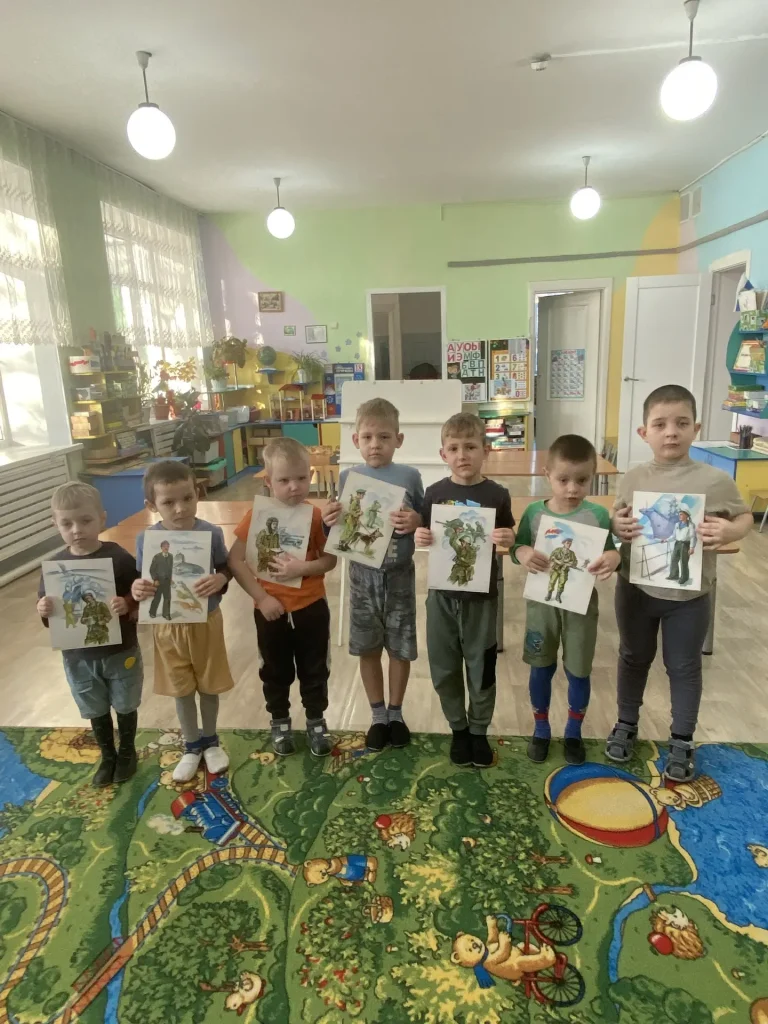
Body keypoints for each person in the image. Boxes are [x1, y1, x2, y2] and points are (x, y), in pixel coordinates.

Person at [609, 385, 753, 782]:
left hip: (689, 596)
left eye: (681, 423)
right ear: (644, 433)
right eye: (660, 424)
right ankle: (625, 723)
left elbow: (744, 517)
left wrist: (730, 530)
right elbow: (617, 519)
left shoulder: (714, 480)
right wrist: (617, 525)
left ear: (696, 429)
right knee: (632, 657)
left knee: (684, 666)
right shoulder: (633, 478)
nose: (671, 432)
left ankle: (682, 739)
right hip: (635, 589)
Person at [513, 435, 620, 766]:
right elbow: (517, 547)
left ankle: (573, 732)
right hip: (541, 608)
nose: (572, 489)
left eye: (582, 480)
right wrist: (524, 552)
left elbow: (612, 550)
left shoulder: (598, 515)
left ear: (593, 476)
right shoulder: (534, 513)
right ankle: (541, 728)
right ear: (547, 474)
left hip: (581, 608)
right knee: (540, 667)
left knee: (578, 671)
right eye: (563, 480)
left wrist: (614, 558)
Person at [323, 398, 423, 751]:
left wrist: (416, 521)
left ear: (398, 439)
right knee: (367, 647)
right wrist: (329, 520)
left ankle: (396, 713)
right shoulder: (348, 478)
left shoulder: (410, 477)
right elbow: (338, 526)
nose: (375, 444)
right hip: (361, 576)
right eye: (367, 437)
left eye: (384, 437)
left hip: (399, 575)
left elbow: (425, 520)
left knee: (400, 648)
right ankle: (378, 715)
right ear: (356, 440)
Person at [416, 413, 515, 767]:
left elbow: (508, 535)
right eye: (454, 448)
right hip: (441, 597)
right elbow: (425, 533)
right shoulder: (434, 493)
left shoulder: (497, 494)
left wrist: (508, 538)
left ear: (486, 450)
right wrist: (420, 536)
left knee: (482, 668)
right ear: (443, 454)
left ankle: (478, 731)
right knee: (443, 667)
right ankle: (458, 729)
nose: (463, 455)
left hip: (482, 600)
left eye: (470, 447)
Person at [229, 437, 337, 757]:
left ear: (310, 475)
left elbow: (330, 560)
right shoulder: (255, 517)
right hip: (270, 610)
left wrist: (303, 567)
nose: (294, 487)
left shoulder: (315, 517)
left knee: (315, 669)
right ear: (268, 481)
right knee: (274, 670)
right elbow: (235, 560)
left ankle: (316, 720)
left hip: (311, 607)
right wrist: (262, 599)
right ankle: (279, 721)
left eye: (301, 478)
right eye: (284, 480)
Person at [132, 461, 235, 783]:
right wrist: (136, 589)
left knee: (209, 683)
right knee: (181, 688)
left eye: (187, 498)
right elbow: (141, 579)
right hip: (168, 626)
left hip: (206, 621)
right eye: (168, 502)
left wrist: (221, 579)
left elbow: (226, 567)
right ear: (152, 505)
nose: (180, 508)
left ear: (197, 493)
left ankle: (211, 741)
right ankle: (191, 745)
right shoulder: (146, 539)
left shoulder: (211, 533)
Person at [37, 482, 142, 788]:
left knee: (125, 701)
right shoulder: (55, 567)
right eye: (67, 524)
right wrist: (43, 609)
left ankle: (127, 752)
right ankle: (108, 756)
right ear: (55, 524)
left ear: (102, 518)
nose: (77, 530)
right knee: (94, 706)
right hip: (78, 657)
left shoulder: (118, 557)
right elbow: (51, 615)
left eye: (85, 520)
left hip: (120, 650)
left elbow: (139, 593)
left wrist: (128, 602)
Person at [667, 508, 695, 585]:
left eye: (681, 514)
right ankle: (674, 575)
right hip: (677, 544)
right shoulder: (677, 524)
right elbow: (674, 536)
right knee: (673, 559)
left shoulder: (690, 525)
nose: (679, 516)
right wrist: (666, 540)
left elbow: (692, 537)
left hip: (685, 544)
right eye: (679, 514)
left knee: (684, 562)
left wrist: (692, 547)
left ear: (686, 516)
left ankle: (684, 577)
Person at [546, 537, 577, 603]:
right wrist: (558, 561)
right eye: (567, 543)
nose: (569, 544)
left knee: (562, 583)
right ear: (563, 543)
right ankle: (549, 595)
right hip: (556, 569)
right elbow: (551, 557)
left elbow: (575, 562)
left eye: (570, 543)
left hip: (564, 570)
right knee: (552, 581)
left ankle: (558, 596)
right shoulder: (558, 550)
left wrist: (569, 564)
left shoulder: (571, 553)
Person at [148, 539, 174, 619]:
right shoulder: (156, 557)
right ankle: (152, 612)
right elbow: (152, 569)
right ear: (161, 547)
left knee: (167, 598)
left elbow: (170, 569)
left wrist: (171, 579)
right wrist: (155, 579)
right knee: (157, 598)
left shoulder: (171, 556)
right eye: (164, 546)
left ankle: (166, 614)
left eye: (167, 546)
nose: (166, 547)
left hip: (167, 581)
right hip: (158, 581)